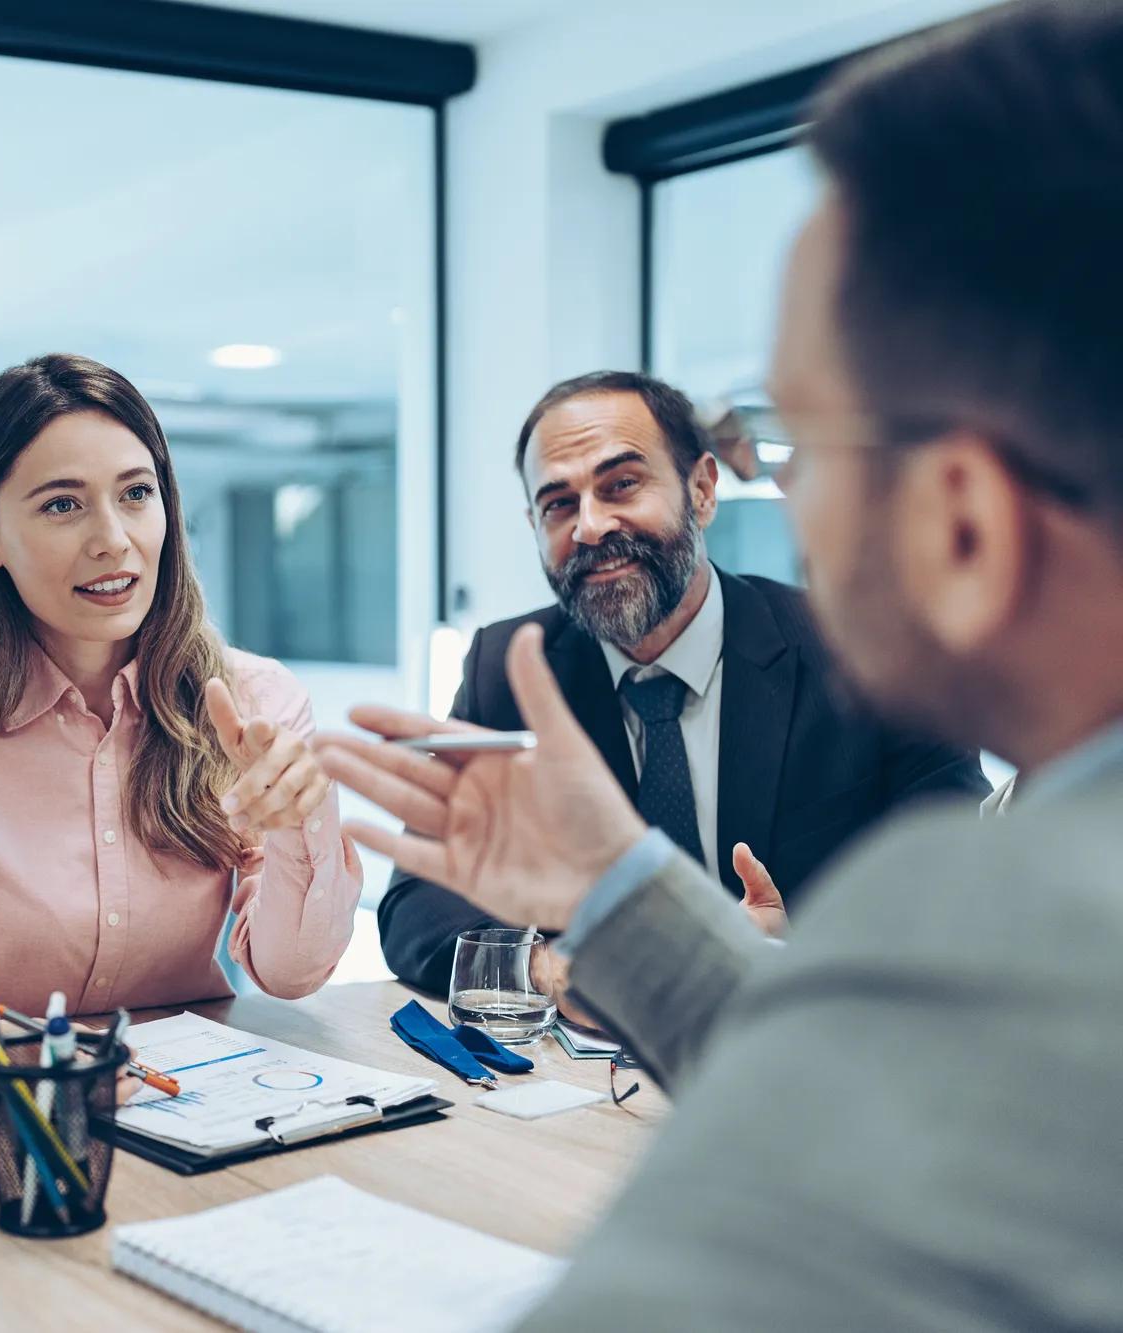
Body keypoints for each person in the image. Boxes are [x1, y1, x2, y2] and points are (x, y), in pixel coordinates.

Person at [319, 4, 1123, 1325]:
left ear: (966, 519)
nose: (788, 503)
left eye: (805, 443)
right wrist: (618, 898)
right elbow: (887, 1097)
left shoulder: (1016, 914)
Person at [0, 353, 362, 1094]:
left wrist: (303, 822)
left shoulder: (254, 700)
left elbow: (290, 974)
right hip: (8, 1117)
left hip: (196, 1096)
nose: (113, 539)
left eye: (136, 493)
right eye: (63, 505)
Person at [378, 371, 985, 1003]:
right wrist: (553, 967)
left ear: (701, 490)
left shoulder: (867, 651)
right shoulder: (510, 666)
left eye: (623, 484)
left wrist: (791, 951)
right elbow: (416, 904)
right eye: (558, 504)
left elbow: (965, 878)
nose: (591, 526)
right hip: (591, 1073)